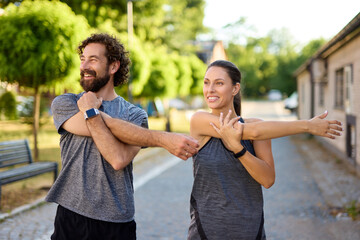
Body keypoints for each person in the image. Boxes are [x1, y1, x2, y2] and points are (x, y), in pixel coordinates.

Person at [46, 33, 198, 240]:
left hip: (117, 222)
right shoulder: (67, 103)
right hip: (71, 216)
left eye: (93, 59)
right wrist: (160, 138)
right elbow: (108, 136)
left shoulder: (135, 115)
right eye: (83, 59)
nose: (84, 66)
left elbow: (118, 159)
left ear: (113, 66)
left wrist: (91, 112)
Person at [187, 60, 343, 240]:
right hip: (206, 230)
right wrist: (307, 126)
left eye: (219, 83)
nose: (210, 89)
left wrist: (239, 150)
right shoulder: (199, 120)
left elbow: (267, 180)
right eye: (206, 82)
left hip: (250, 230)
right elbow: (252, 132)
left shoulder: (260, 128)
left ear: (235, 88)